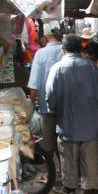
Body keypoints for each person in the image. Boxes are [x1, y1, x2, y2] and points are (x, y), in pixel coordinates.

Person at [45, 34, 98, 194]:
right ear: (81, 49)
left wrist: (54, 108)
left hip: (67, 121)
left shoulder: (57, 68)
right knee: (89, 156)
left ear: (63, 49)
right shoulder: (91, 67)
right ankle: (90, 189)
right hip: (89, 122)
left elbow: (50, 95)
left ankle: (69, 187)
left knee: (68, 155)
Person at [26, 21, 63, 153]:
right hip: (66, 107)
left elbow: (34, 84)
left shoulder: (41, 53)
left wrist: (31, 105)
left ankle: (54, 170)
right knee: (65, 141)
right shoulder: (66, 51)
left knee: (49, 143)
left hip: (47, 107)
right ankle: (64, 169)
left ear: (45, 37)